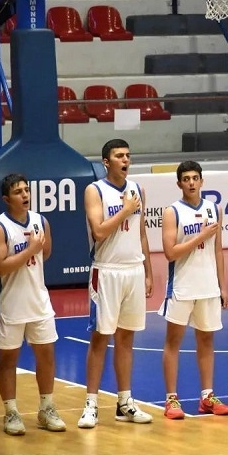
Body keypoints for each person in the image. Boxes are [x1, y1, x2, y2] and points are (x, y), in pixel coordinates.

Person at [79, 139, 153, 428]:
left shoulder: (138, 190)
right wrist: (125, 210)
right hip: (106, 271)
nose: (125, 160)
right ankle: (91, 404)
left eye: (128, 155)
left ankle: (125, 402)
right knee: (100, 337)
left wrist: (148, 271)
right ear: (106, 162)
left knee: (126, 339)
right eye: (119, 156)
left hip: (133, 270)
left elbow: (142, 233)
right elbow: (98, 231)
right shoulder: (95, 190)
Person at [0, 174, 66, 436]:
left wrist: (33, 251)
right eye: (18, 191)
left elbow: (46, 253)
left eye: (26, 190)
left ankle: (46, 408)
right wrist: (30, 250)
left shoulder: (41, 221)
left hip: (38, 299)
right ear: (6, 199)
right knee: (8, 359)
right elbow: (0, 268)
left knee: (46, 354)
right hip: (10, 302)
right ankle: (11, 412)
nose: (24, 195)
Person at [161, 161, 228, 419]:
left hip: (208, 286)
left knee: (206, 341)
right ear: (179, 183)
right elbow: (170, 253)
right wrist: (199, 237)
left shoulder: (214, 209)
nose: (191, 182)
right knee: (173, 342)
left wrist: (222, 285)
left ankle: (207, 396)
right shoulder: (172, 212)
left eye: (195, 178)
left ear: (202, 181)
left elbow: (218, 250)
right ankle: (171, 399)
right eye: (186, 179)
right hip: (182, 286)